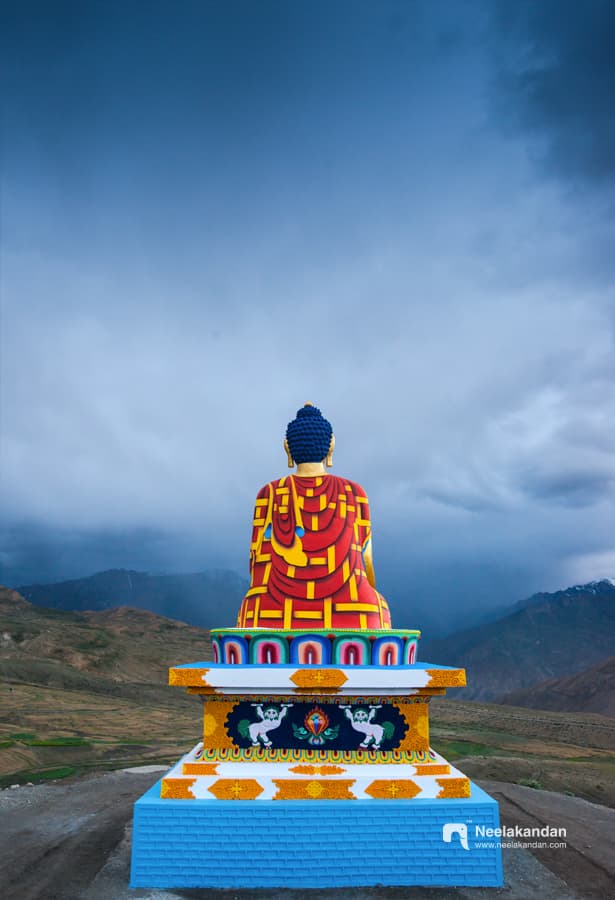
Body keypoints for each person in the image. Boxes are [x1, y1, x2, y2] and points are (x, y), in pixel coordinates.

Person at [236, 403, 392, 630]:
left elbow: (255, 561)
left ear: (286, 448)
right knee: (376, 609)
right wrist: (365, 590)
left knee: (252, 613)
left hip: (273, 609)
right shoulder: (354, 492)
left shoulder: (268, 493)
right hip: (351, 607)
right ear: (331, 446)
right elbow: (366, 561)